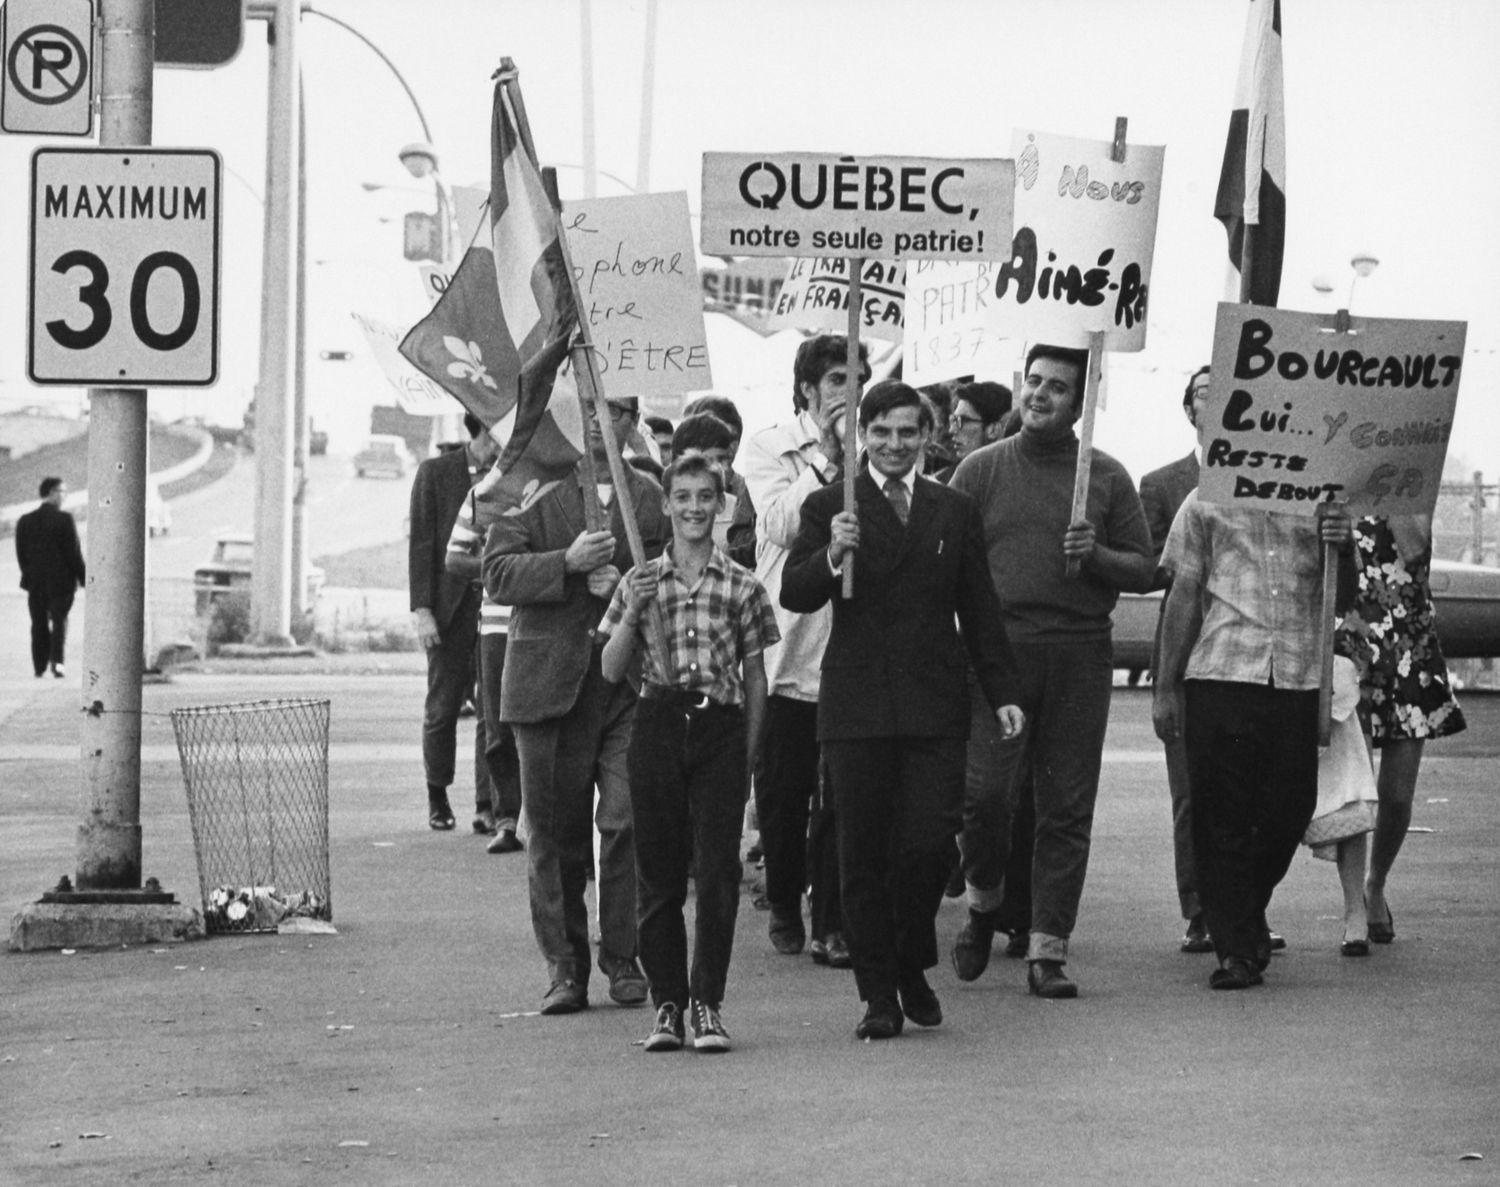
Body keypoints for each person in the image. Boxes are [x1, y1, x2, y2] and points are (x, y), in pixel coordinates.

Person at [781, 379, 1023, 1040]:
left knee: (927, 844)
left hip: (932, 704)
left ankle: (911, 958)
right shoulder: (833, 504)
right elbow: (796, 591)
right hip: (856, 706)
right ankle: (878, 992)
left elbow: (978, 607)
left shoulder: (953, 508)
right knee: (860, 852)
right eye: (881, 432)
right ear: (863, 434)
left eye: (907, 432)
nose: (894, 444)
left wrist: (1003, 692)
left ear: (927, 435)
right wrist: (833, 552)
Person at [950, 343, 1154, 999]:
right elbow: (943, 557)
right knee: (985, 798)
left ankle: (1047, 948)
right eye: (1033, 382)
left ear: (1081, 402)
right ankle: (984, 904)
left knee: (1066, 804)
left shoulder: (1108, 475)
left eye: (1057, 387)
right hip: (999, 654)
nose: (1040, 395)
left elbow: (1146, 569)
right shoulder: (979, 470)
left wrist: (1096, 554)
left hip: (1079, 652)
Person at [483, 391, 670, 1016]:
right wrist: (564, 563)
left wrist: (628, 586)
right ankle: (565, 966)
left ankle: (624, 956)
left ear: (632, 422)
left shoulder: (650, 494)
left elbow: (674, 572)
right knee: (556, 834)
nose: (599, 419)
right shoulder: (529, 483)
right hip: (547, 683)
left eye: (615, 409)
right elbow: (497, 573)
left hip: (625, 683)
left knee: (625, 822)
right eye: (589, 405)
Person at [599, 453, 779, 1053]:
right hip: (657, 722)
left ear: (721, 505)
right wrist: (633, 611)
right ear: (667, 505)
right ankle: (668, 1005)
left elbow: (756, 676)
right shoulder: (640, 580)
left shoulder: (744, 585)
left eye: (707, 496)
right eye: (684, 496)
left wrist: (748, 753)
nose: (696, 507)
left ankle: (708, 1002)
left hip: (720, 728)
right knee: (659, 871)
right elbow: (609, 667)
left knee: (719, 870)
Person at [1153, 493, 1354, 990]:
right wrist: (1164, 686)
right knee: (1221, 813)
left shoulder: (1321, 504)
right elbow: (1184, 592)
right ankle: (1237, 950)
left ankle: (1244, 907)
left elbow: (1344, 598)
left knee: (1290, 806)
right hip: (1222, 672)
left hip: (1296, 678)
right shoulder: (1205, 500)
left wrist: (1343, 546)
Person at [741, 334, 870, 969]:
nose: (850, 390)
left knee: (844, 792)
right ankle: (786, 898)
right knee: (785, 792)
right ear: (808, 389)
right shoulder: (769, 447)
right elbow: (782, 526)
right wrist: (828, 458)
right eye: (838, 378)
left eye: (859, 377)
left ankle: (833, 920)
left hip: (851, 649)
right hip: (788, 645)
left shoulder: (883, 443)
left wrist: (862, 454)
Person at [1337, 513, 1467, 948]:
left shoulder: (1414, 487)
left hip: (1409, 644)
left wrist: (1392, 495)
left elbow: (1415, 548)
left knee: (1396, 792)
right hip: (1353, 643)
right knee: (1353, 786)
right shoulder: (1340, 485)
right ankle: (1354, 901)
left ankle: (1377, 881)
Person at [1139, 366, 1211, 953]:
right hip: (1187, 650)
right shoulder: (1162, 483)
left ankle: (1244, 905)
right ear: (1189, 410)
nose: (1214, 404)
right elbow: (1151, 567)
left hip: (1250, 656)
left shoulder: (1271, 479)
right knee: (1190, 793)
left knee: (1248, 792)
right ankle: (1201, 911)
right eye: (1203, 395)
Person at [409, 414, 498, 832]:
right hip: (448, 610)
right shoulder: (436, 473)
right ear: (479, 428)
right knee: (443, 708)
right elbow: (422, 544)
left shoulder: (513, 475)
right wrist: (423, 610)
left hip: (498, 608)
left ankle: (487, 802)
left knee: (491, 710)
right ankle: (437, 794)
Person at [445, 465, 523, 855]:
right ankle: (506, 818)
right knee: (498, 725)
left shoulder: (566, 481)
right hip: (495, 623)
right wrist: (501, 568)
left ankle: (541, 820)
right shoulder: (485, 493)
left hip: (551, 617)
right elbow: (454, 558)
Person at [15, 477, 85, 679]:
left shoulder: (25, 520)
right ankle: (58, 663)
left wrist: (30, 574)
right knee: (59, 621)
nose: (64, 496)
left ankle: (39, 666)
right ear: (53, 492)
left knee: (38, 624)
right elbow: (74, 554)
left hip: (35, 583)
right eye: (62, 492)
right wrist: (84, 577)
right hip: (62, 583)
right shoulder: (64, 520)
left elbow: (21, 555)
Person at [682, 394, 756, 570]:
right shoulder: (674, 495)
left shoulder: (752, 492)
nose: (727, 445)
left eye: (732, 437)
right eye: (715, 435)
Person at [670, 413, 739, 553]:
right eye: (716, 460)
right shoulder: (663, 508)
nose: (725, 468)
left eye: (726, 460)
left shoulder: (738, 510)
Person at [937, 380, 1011, 481]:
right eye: (953, 420)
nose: (952, 430)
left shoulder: (1015, 481)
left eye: (962, 420)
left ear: (993, 430)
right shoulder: (941, 483)